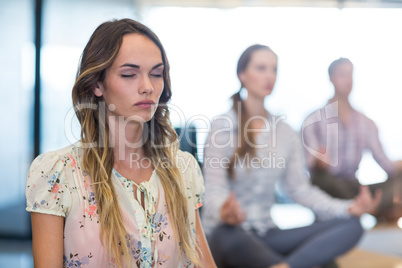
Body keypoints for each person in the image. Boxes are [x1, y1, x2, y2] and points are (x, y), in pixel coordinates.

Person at [25, 19, 216, 268]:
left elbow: (201, 261)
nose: (147, 87)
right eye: (129, 74)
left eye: (157, 74)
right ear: (97, 84)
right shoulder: (58, 172)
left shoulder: (183, 169)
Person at [201, 45, 381, 268]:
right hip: (230, 234)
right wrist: (223, 211)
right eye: (261, 68)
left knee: (352, 225)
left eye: (274, 69)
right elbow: (213, 191)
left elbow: (300, 190)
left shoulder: (285, 131)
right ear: (242, 75)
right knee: (229, 235)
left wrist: (347, 208)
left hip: (268, 234)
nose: (269, 76)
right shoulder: (221, 126)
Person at [302, 57, 402, 220]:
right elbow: (306, 167)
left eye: (350, 75)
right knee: (322, 180)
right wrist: (317, 161)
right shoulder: (313, 120)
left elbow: (385, 164)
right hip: (329, 186)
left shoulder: (366, 123)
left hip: (354, 186)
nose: (347, 80)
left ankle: (365, 204)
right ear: (331, 78)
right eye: (342, 74)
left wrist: (398, 166)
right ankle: (369, 207)